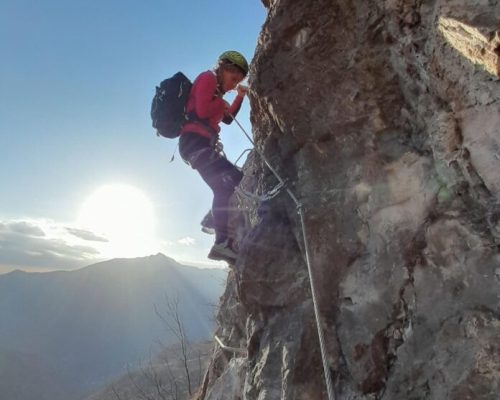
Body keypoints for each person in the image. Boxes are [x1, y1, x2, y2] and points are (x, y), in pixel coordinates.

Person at [179, 51, 249, 262]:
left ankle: (219, 239)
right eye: (233, 78)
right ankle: (218, 234)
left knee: (226, 184)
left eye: (237, 81)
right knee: (233, 179)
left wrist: (239, 97)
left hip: (199, 146)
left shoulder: (217, 94)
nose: (233, 84)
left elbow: (227, 119)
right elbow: (201, 111)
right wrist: (220, 104)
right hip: (195, 143)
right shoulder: (207, 78)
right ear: (224, 69)